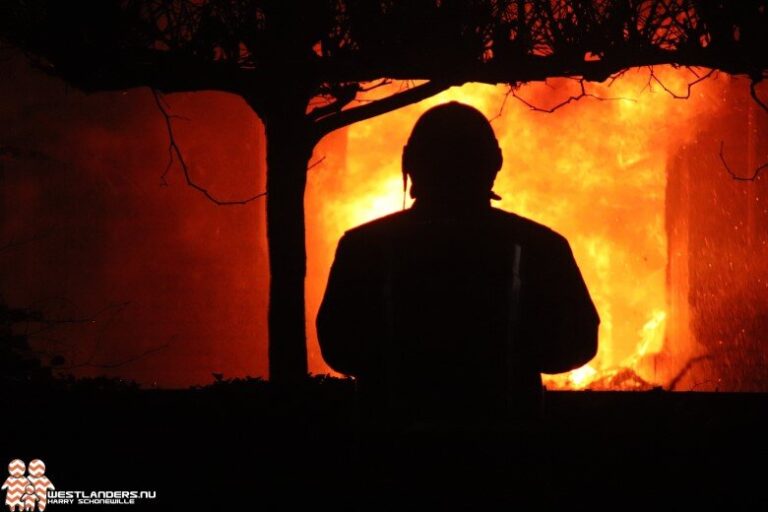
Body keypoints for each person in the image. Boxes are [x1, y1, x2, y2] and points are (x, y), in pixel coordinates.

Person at [317, 101, 599, 431]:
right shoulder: (541, 245)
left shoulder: (363, 245)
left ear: (410, 162)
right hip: (504, 442)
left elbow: (339, 347)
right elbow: (577, 344)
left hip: (393, 444)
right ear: (495, 162)